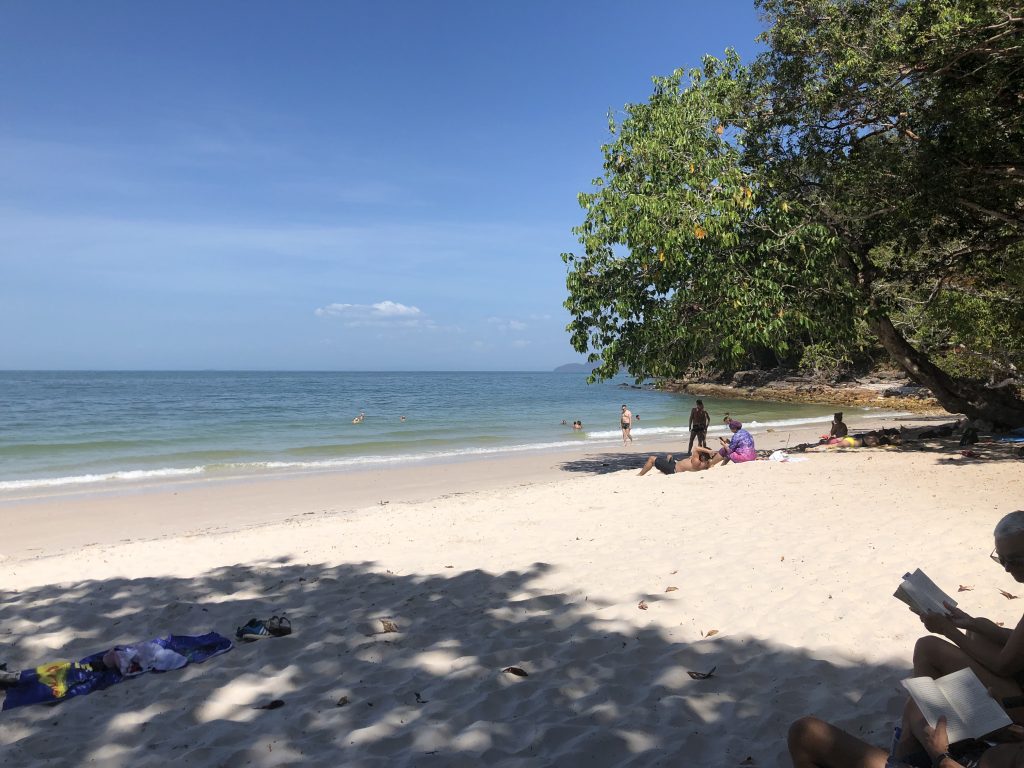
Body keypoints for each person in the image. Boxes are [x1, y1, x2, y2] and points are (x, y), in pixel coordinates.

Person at [787, 713, 1021, 767]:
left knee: (804, 732)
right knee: (916, 708)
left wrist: (941, 756)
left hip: (953, 762)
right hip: (975, 754)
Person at [638, 448, 712, 476]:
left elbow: (696, 448)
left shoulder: (697, 462)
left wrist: (708, 451)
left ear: (702, 456)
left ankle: (640, 475)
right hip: (675, 465)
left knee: (651, 458)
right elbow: (709, 461)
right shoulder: (706, 464)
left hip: (672, 469)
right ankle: (665, 464)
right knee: (669, 456)